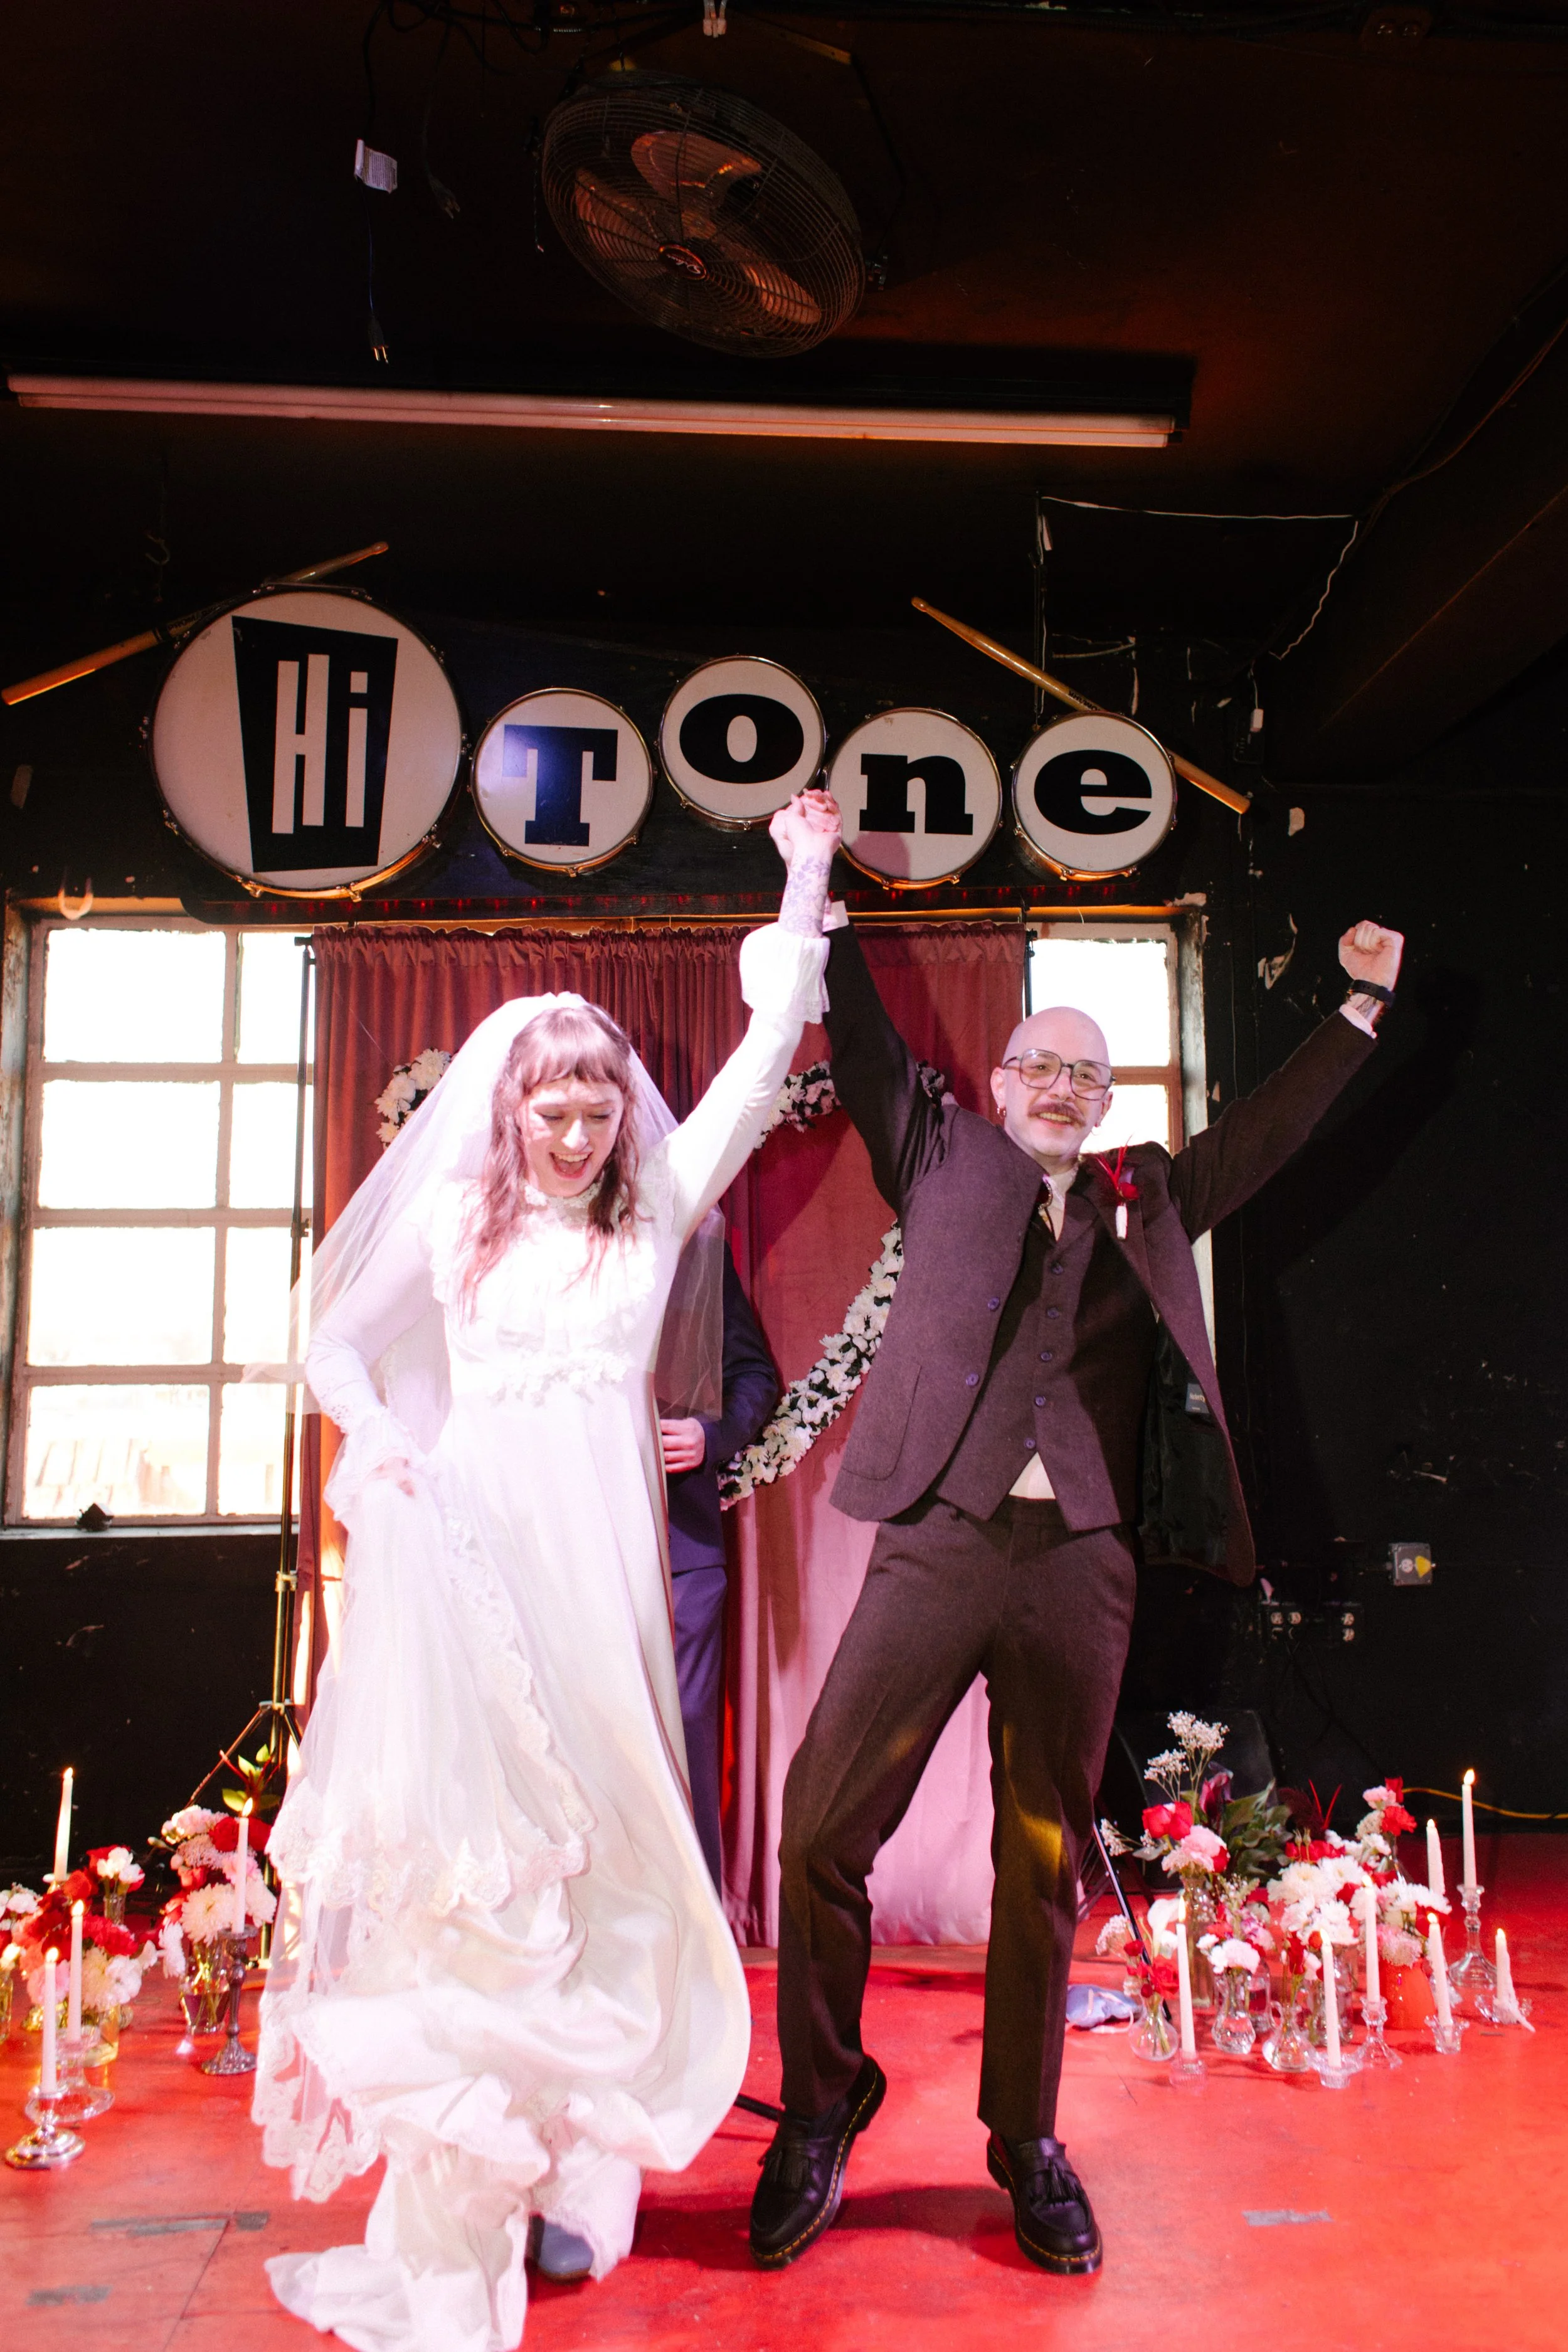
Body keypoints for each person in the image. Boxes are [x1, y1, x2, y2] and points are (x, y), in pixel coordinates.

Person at [254, 790, 842, 2352]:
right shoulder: (452, 1222)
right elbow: (332, 1340)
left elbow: (759, 1058)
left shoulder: (655, 1221)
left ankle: (590, 2162)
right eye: (552, 1107)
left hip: (606, 1584)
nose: (578, 1128)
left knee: (614, 1853)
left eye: (597, 1104)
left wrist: (801, 875)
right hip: (470, 1573)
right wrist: (377, 1441)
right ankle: (477, 2183)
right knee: (488, 1870)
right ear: (508, 1110)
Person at [750, 909, 1404, 2279]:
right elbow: (863, 1042)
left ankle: (1023, 2137)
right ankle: (820, 2108)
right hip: (937, 1538)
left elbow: (1259, 1140)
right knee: (819, 1829)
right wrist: (826, 911)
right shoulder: (936, 1151)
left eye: (1086, 1078)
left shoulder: (1143, 1194)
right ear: (997, 1084)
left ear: (1107, 1104)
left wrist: (1351, 1015)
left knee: (1042, 1856)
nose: (1061, 1091)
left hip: (1082, 1563)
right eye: (1039, 1068)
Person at [660, 1248, 780, 1892]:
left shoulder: (693, 1247)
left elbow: (755, 1375)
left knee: (686, 1750)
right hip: (567, 1543)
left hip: (682, 1548)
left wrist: (712, 1437)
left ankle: (694, 1938)